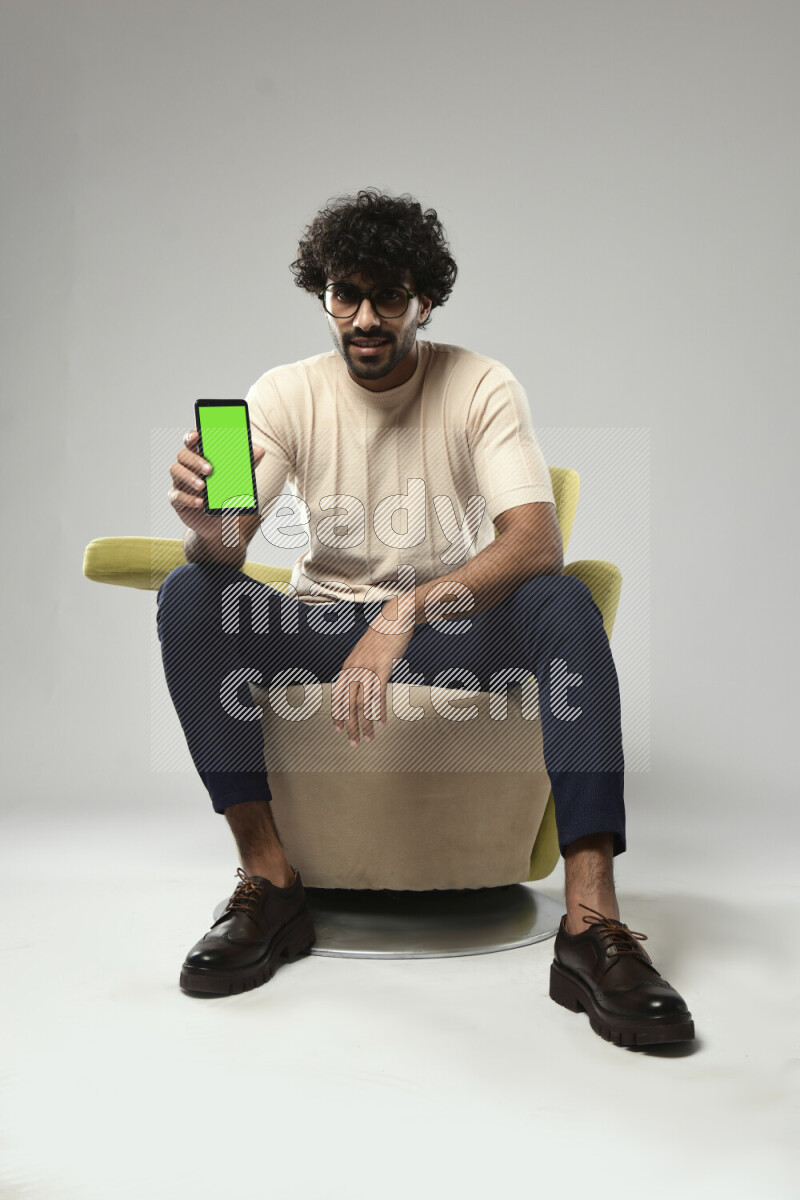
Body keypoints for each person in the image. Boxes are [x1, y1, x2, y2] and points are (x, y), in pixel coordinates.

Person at [156, 188, 694, 1046]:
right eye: (345, 295)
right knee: (189, 592)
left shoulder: (480, 384)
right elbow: (227, 556)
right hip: (324, 631)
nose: (365, 318)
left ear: (424, 300)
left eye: (388, 297)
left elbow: (534, 543)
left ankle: (591, 924)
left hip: (448, 628)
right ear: (324, 296)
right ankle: (269, 879)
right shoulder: (284, 393)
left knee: (563, 599)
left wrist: (405, 611)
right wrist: (209, 531)